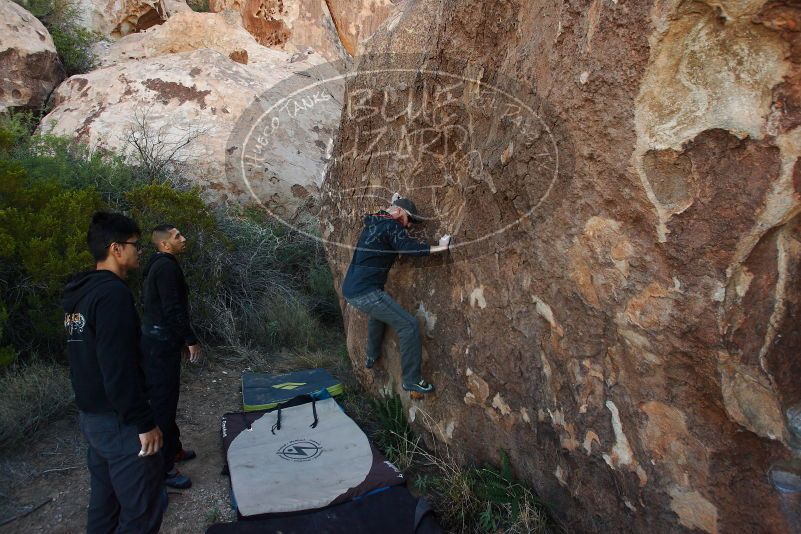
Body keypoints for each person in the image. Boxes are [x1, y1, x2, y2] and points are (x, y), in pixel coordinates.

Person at [63, 211, 165, 534]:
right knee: (143, 511)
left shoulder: (79, 295)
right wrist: (144, 421)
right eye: (135, 245)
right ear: (116, 249)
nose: (139, 251)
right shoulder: (112, 295)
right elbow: (117, 367)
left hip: (92, 419)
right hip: (119, 423)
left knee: (104, 506)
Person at [341, 196, 451, 394]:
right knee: (408, 325)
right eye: (409, 219)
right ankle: (412, 379)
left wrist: (396, 203)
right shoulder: (392, 226)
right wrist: (440, 247)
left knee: (378, 316)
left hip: (351, 289)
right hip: (366, 292)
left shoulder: (375, 221)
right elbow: (408, 248)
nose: (408, 226)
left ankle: (371, 356)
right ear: (399, 213)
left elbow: (391, 220)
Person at [141, 224, 200, 490]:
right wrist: (190, 339)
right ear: (164, 244)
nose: (183, 239)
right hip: (160, 344)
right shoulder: (165, 267)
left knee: (169, 397)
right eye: (177, 236)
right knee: (163, 403)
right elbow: (172, 308)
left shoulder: (159, 263)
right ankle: (164, 468)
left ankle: (173, 448)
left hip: (159, 341)